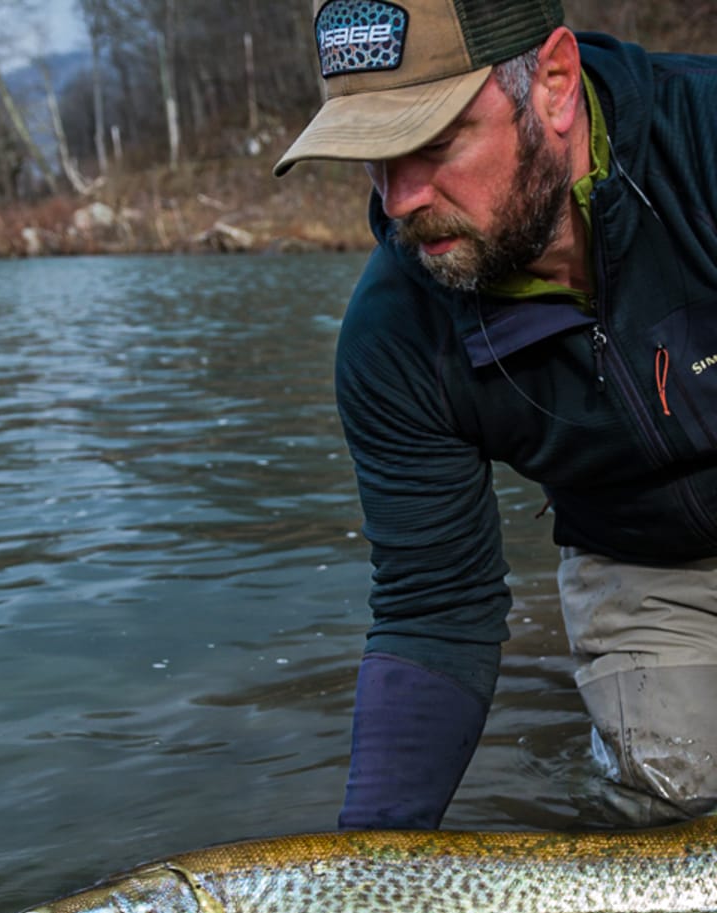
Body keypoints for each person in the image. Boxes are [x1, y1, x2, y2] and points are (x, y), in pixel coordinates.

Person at [274, 0, 717, 829]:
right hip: (645, 562)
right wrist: (373, 869)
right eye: (373, 158)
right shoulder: (393, 339)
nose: (400, 200)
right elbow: (433, 610)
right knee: (673, 815)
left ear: (553, 83)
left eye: (434, 144)